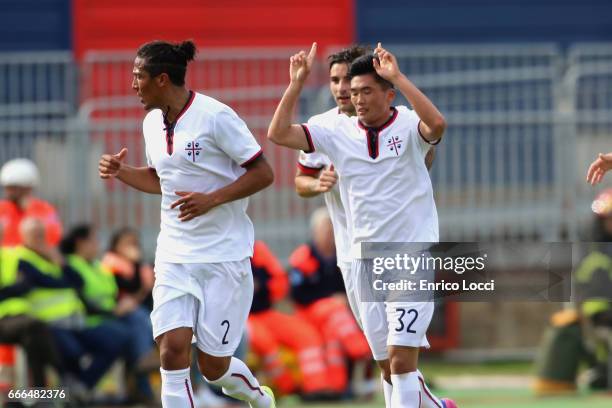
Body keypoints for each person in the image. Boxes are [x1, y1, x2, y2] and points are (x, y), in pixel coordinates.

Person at [267, 42, 457, 408]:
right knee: (387, 365)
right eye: (350, 90)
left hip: (410, 255)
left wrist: (398, 76)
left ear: (388, 94)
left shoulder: (406, 122)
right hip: (359, 259)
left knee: (402, 361)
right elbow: (278, 136)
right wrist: (296, 84)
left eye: (364, 90)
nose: (354, 97)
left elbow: (437, 125)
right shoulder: (333, 130)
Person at [98, 39, 276, 408]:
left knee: (214, 368)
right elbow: (161, 180)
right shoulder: (150, 123)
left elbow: (263, 173)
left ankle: (259, 398)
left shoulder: (215, 117)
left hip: (223, 257)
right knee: (172, 352)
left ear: (162, 79)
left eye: (139, 76)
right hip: (175, 255)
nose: (133, 85)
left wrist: (212, 199)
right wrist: (122, 172)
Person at [60, 224, 155, 403]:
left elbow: (114, 293)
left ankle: (142, 383)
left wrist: (121, 305)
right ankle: (141, 379)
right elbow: (82, 300)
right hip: (87, 320)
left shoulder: (96, 265)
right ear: (81, 243)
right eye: (94, 240)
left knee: (137, 319)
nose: (98, 244)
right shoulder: (72, 265)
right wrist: (113, 309)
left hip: (108, 316)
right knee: (129, 331)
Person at [289, 208, 372, 397]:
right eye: (326, 229)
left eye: (331, 229)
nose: (329, 234)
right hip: (307, 314)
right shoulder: (304, 256)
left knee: (334, 337)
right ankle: (363, 350)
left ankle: (336, 388)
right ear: (315, 232)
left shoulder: (341, 257)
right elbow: (297, 294)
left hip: (332, 318)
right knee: (336, 310)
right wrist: (330, 299)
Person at [248, 240, 333, 399]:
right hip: (242, 319)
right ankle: (287, 388)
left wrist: (261, 286)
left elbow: (279, 281)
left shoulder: (256, 249)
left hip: (265, 313)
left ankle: (316, 388)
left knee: (306, 334)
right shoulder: (220, 253)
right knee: (265, 343)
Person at [0, 223, 64, 388]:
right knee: (35, 327)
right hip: (8, 320)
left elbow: (27, 285)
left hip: (18, 318)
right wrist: (13, 287)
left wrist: (8, 289)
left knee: (33, 338)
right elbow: (19, 287)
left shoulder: (10, 256)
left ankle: (36, 396)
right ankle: (60, 374)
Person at [0, 158, 62, 247]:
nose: (8, 192)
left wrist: (29, 211)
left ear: (27, 187)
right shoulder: (2, 208)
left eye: (13, 188)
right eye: (7, 187)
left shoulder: (44, 209)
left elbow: (53, 237)